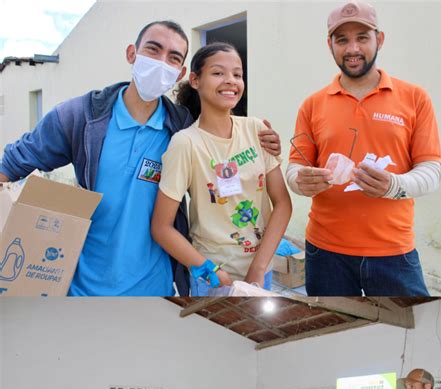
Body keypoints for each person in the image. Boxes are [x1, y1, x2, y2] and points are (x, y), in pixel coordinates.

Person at [0, 22, 281, 297]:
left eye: (172, 58)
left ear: (181, 72)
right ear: (132, 54)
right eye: (153, 50)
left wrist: (264, 141)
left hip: (156, 288)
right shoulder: (83, 118)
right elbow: (12, 163)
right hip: (85, 287)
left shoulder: (180, 128)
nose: (161, 63)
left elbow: (225, 148)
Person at [286, 1, 441, 297]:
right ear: (330, 45)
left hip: (393, 251)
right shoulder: (312, 104)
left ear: (379, 40)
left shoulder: (415, 98)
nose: (352, 48)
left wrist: (394, 185)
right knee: (331, 330)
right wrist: (299, 180)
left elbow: (431, 171)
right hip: (325, 250)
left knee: (408, 329)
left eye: (362, 37)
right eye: (342, 40)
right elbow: (294, 166)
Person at [151, 42, 292, 295]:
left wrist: (259, 268)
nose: (231, 81)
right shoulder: (186, 143)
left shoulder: (257, 129)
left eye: (237, 74)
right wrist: (211, 270)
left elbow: (282, 203)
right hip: (214, 279)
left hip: (262, 272)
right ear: (195, 80)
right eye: (218, 73)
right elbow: (161, 227)